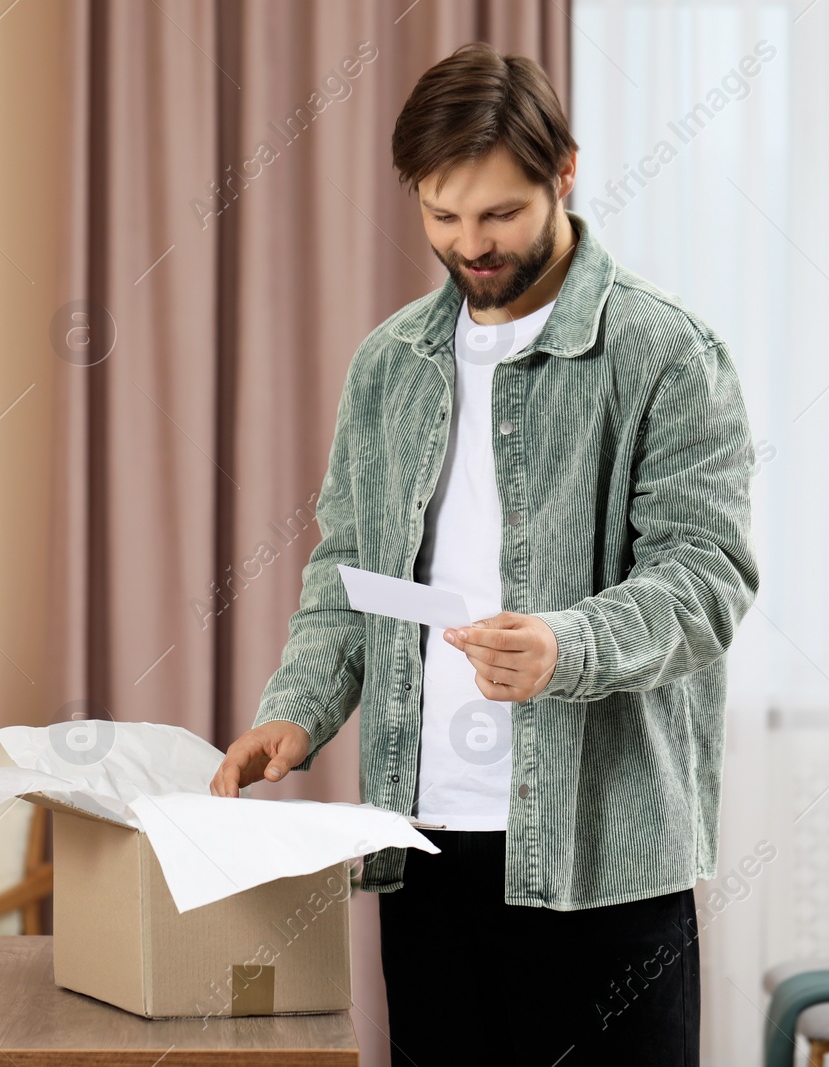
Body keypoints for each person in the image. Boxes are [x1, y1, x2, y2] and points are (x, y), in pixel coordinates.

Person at [209, 41, 758, 1066]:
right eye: (441, 216)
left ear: (565, 174)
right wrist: (295, 709)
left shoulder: (666, 354)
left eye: (500, 214)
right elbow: (345, 571)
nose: (470, 244)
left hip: (605, 859)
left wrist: (566, 644)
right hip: (426, 849)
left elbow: (704, 578)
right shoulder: (389, 363)